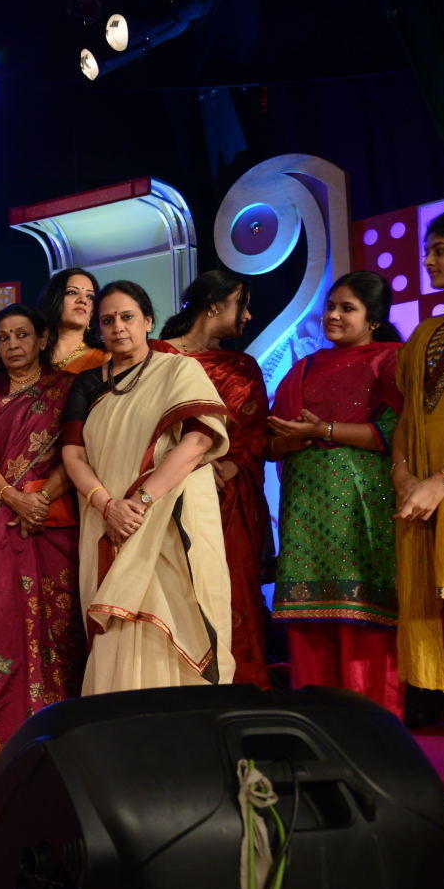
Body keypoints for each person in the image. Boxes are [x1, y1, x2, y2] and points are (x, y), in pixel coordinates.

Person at [61, 281, 233, 693]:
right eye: (107, 320)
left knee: (177, 611)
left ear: (148, 321)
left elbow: (199, 440)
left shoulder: (179, 370)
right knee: (117, 623)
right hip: (108, 521)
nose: (118, 327)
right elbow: (73, 456)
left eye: (127, 317)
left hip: (169, 518)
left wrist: (140, 502)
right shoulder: (86, 385)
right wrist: (107, 506)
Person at [268, 271, 403, 713]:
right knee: (312, 629)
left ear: (374, 319)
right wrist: (294, 438)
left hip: (363, 508)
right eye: (330, 306)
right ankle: (319, 732)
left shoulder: (390, 361)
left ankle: (375, 739)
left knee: (363, 623)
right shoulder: (304, 368)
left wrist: (324, 429)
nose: (333, 315)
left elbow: (391, 433)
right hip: (305, 511)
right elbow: (271, 443)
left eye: (347, 308)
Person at [0, 304, 83, 762]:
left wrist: (41, 499)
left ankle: (56, 736)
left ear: (42, 338)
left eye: (22, 335)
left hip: (51, 523)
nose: (13, 345)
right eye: (5, 337)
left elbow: (76, 450)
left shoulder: (66, 387)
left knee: (57, 623)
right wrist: (14, 497)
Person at [157, 270, 272, 688]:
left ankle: (241, 690)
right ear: (214, 305)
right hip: (171, 492)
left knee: (233, 593)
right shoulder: (158, 357)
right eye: (242, 304)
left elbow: (256, 432)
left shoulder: (243, 366)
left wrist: (232, 464)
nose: (248, 315)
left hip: (230, 499)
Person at [392, 209, 444, 706]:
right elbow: (406, 418)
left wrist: (442, 479)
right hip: (425, 495)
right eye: (427, 251)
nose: (428, 261)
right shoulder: (424, 333)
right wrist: (403, 474)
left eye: (441, 250)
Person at [38, 267, 107, 373]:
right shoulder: (32, 356)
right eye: (72, 292)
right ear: (54, 299)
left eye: (90, 296)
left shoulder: (105, 359)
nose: (83, 300)